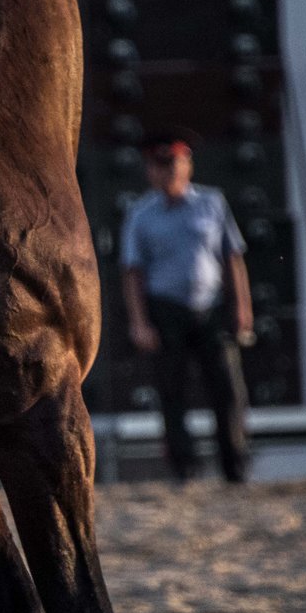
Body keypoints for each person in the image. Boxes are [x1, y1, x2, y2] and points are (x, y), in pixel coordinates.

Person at [121, 130, 254, 483]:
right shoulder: (140, 214)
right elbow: (132, 273)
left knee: (227, 390)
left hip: (211, 308)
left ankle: (234, 467)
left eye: (173, 163)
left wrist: (242, 308)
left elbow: (232, 259)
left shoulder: (212, 203)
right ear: (150, 170)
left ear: (187, 165)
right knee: (171, 393)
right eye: (158, 165)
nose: (166, 172)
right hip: (166, 311)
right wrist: (139, 323)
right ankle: (184, 469)